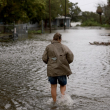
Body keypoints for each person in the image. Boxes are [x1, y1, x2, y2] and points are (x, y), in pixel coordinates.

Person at [42, 33, 74, 104]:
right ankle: (63, 100)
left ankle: (54, 102)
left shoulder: (48, 47)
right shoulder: (64, 47)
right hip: (62, 70)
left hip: (51, 70)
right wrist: (65, 63)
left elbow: (44, 58)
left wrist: (50, 63)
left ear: (53, 39)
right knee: (62, 85)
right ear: (60, 39)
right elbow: (71, 57)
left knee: (53, 86)